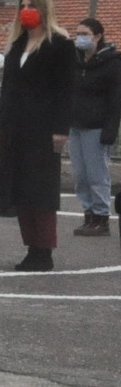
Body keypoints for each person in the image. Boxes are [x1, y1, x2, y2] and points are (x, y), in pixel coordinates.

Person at [0, 0, 76, 272]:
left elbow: (66, 91)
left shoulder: (61, 45)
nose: (26, 9)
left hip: (43, 129)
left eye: (31, 5)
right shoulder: (17, 45)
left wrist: (60, 129)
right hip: (15, 127)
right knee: (19, 187)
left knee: (40, 189)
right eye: (22, 5)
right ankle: (31, 247)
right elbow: (8, 89)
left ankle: (44, 249)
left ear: (44, 9)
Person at [68, 17, 121, 236]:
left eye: (84, 34)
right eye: (77, 34)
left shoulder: (111, 63)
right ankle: (88, 214)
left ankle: (101, 217)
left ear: (98, 36)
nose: (79, 38)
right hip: (76, 125)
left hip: (97, 126)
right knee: (80, 175)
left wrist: (110, 129)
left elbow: (115, 99)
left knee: (97, 175)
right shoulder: (77, 61)